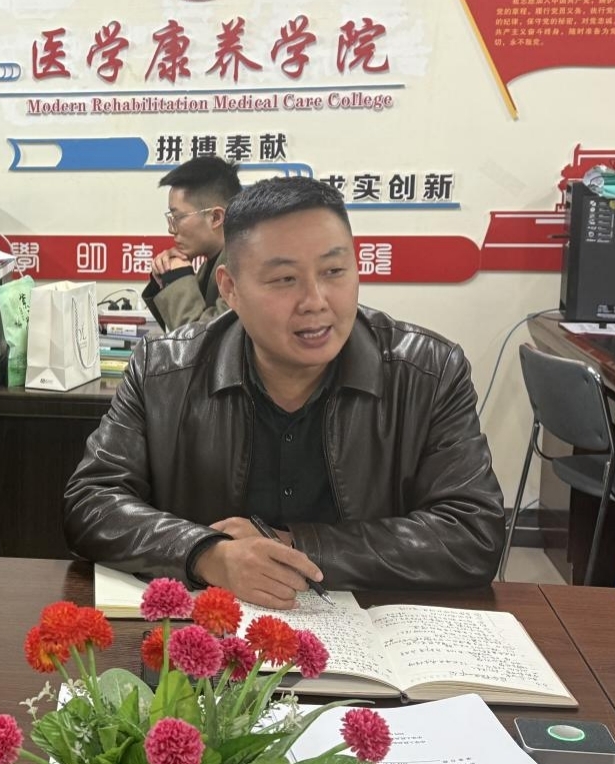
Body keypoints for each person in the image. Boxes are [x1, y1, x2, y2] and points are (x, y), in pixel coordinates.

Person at [64, 177, 505, 608]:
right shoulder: (164, 371)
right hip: (211, 639)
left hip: (373, 633)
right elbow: (92, 503)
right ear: (230, 289)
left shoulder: (427, 373)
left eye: (334, 271)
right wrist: (209, 554)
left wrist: (293, 547)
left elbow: (473, 532)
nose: (315, 301)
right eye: (284, 279)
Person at [142, 156, 239, 331]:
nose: (171, 230)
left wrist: (179, 277)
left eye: (178, 217)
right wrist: (166, 280)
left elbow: (198, 340)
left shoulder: (243, 270)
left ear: (215, 217)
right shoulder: (212, 264)